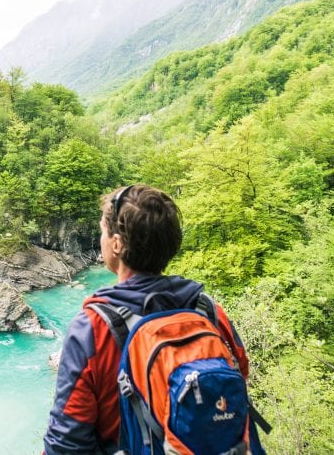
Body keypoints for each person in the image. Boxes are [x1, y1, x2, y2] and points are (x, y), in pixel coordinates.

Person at [43, 184, 251, 454]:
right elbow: (238, 380)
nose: (101, 239)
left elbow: (66, 440)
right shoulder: (209, 311)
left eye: (103, 232)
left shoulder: (92, 328)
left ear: (116, 243)